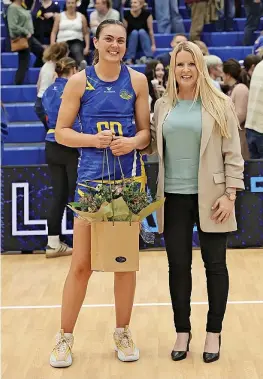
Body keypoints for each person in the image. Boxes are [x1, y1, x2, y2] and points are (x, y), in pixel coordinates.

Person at [49, 19, 150, 367]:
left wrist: (132, 142)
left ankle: (122, 331)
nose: (115, 45)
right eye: (109, 39)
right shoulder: (79, 82)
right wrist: (93, 140)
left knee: (125, 265)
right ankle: (64, 337)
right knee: (81, 265)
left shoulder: (137, 80)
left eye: (120, 40)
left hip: (127, 186)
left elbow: (145, 135)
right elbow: (61, 132)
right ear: (96, 41)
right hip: (91, 184)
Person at [147, 41, 244, 363]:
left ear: (200, 66)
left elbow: (234, 156)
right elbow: (151, 145)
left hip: (214, 198)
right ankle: (182, 331)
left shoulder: (220, 103)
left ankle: (214, 333)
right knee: (178, 268)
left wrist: (230, 196)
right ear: (172, 69)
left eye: (191, 64)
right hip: (172, 198)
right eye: (179, 64)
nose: (185, 70)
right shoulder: (163, 105)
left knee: (215, 266)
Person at [42, 57, 79, 258]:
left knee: (59, 196)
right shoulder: (73, 89)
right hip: (70, 144)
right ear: (73, 70)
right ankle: (83, 245)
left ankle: (53, 243)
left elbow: (39, 109)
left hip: (50, 144)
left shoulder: (48, 90)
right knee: (79, 195)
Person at [7, 0, 44, 85]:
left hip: (30, 37)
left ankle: (35, 71)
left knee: (43, 52)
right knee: (24, 63)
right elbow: (12, 26)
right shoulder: (13, 8)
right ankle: (18, 84)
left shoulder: (22, 7)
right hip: (22, 38)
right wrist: (25, 32)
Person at [34, 42, 69, 131]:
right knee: (54, 130)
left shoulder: (46, 65)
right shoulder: (57, 70)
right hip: (47, 102)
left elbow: (38, 84)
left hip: (39, 101)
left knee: (52, 130)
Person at [223, 59, 250, 160]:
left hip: (240, 137)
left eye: (223, 73)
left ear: (228, 75)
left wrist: (223, 125)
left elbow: (240, 115)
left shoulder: (240, 89)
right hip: (233, 136)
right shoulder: (233, 88)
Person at [50, 0, 90, 69]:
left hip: (76, 40)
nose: (71, 5)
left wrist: (87, 47)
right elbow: (54, 32)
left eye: (72, 3)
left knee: (76, 48)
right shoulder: (59, 16)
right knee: (62, 50)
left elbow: (86, 33)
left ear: (75, 4)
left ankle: (81, 64)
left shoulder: (82, 17)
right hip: (62, 42)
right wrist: (52, 43)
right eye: (69, 3)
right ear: (66, 4)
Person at [123, 0, 155, 64]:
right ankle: (129, 59)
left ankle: (149, 57)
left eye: (135, 2)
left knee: (141, 31)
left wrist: (153, 44)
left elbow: (150, 30)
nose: (132, 4)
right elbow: (124, 32)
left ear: (141, 5)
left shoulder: (147, 14)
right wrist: (124, 45)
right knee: (134, 32)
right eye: (131, 3)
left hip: (144, 39)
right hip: (131, 41)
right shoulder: (126, 14)